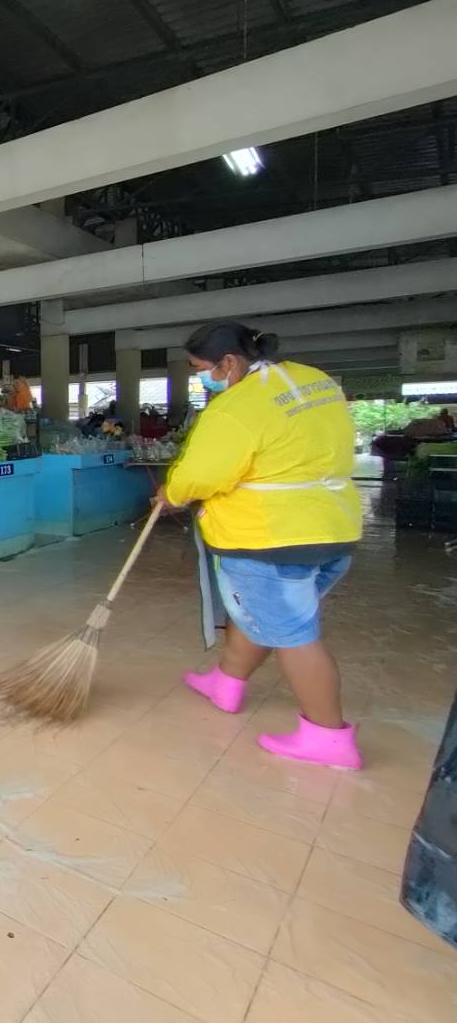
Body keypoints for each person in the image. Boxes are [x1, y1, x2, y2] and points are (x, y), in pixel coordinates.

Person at [160, 322, 363, 769]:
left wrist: (171, 493)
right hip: (333, 527)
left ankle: (329, 737)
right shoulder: (314, 381)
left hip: (269, 537)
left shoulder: (237, 406)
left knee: (292, 634)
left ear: (228, 362)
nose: (201, 379)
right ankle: (226, 683)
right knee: (262, 614)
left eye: (200, 369)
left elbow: (205, 473)